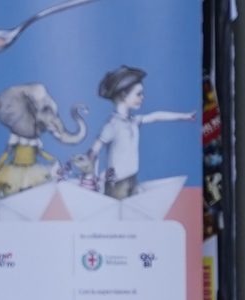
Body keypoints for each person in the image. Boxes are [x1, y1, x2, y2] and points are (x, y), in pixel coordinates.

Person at [83, 65, 194, 200]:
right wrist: (92, 177)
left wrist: (184, 117)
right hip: (117, 185)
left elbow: (156, 116)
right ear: (124, 95)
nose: (142, 97)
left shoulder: (133, 121)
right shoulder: (112, 126)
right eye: (138, 94)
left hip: (132, 180)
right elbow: (92, 152)